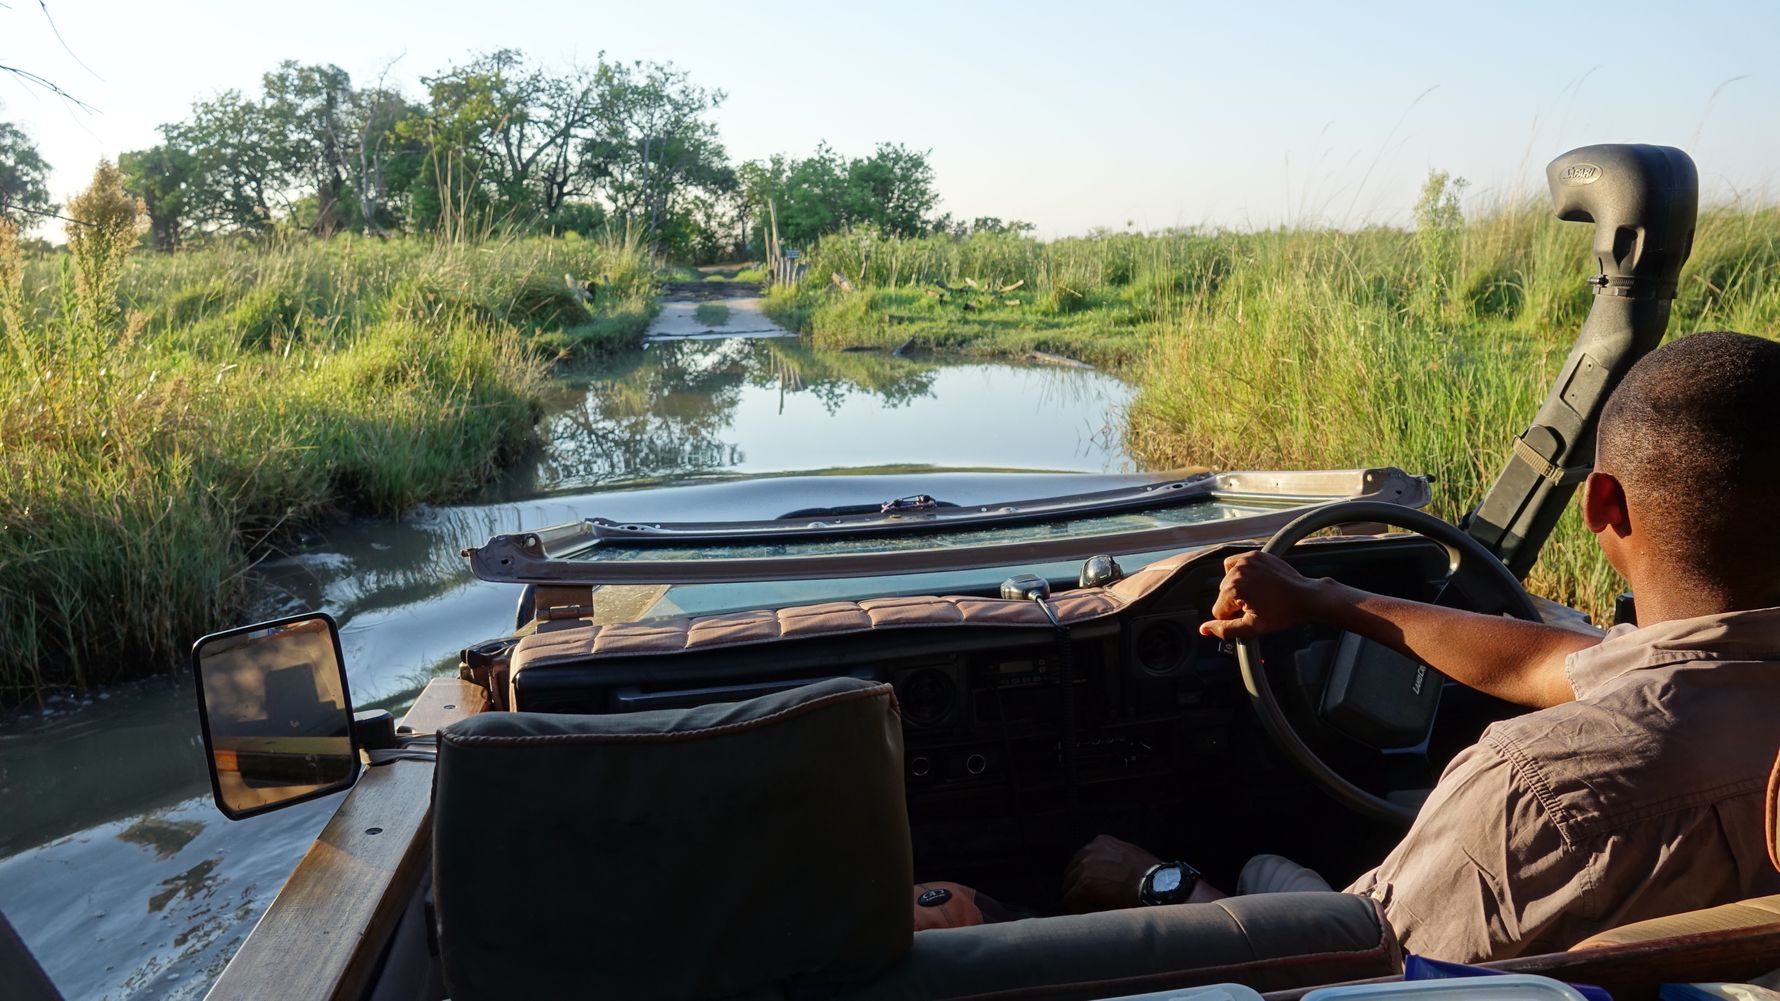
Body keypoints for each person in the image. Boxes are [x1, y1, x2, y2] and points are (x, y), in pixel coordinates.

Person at [1061, 330, 1780, 962]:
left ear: (1601, 503)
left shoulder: (1537, 787)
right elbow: (1549, 663)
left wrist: (1159, 883)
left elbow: (1354, 967)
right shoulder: (1716, 682)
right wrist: (1328, 598)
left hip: (1373, 965)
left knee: (1255, 865)